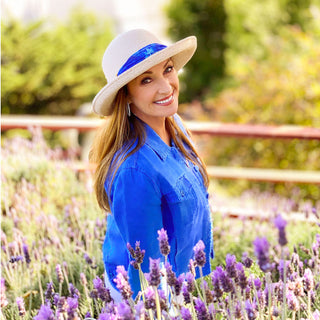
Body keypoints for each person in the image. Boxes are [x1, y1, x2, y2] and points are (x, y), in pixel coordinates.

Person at [89, 29, 214, 299]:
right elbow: (146, 270)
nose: (166, 87)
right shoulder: (135, 170)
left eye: (168, 70)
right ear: (127, 96)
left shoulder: (175, 127)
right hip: (150, 297)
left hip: (186, 279)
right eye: (147, 80)